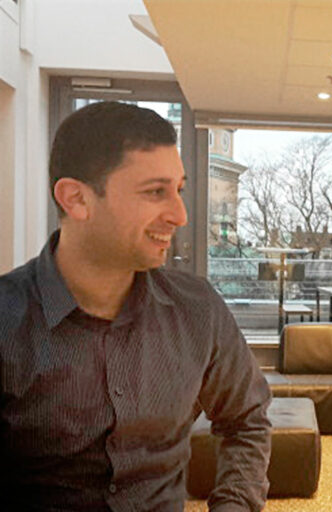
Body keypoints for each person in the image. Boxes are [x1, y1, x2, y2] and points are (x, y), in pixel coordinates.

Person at [0, 101, 272, 511]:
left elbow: (247, 420)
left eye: (178, 190)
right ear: (76, 198)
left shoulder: (197, 309)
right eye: (155, 192)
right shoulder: (7, 322)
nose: (180, 215)